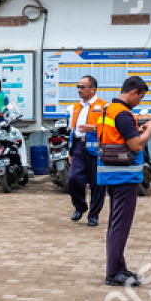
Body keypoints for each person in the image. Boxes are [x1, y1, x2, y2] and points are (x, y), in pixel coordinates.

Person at [95, 75, 151, 287]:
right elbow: (136, 146)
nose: (139, 101)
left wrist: (137, 131)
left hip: (111, 174)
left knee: (116, 223)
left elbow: (119, 138)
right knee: (120, 226)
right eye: (140, 97)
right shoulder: (123, 114)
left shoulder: (109, 110)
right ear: (133, 92)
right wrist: (149, 130)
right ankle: (114, 273)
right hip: (124, 176)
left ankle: (119, 267)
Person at [67, 75, 107, 226]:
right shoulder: (76, 107)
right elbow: (72, 129)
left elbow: (110, 127)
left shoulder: (104, 106)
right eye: (78, 86)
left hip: (96, 148)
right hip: (78, 146)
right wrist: (70, 151)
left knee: (97, 183)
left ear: (92, 89)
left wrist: (94, 128)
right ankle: (80, 206)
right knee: (73, 178)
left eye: (82, 87)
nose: (79, 89)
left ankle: (94, 215)